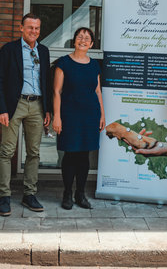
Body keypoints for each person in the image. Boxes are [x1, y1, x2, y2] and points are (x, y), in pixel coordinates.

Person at [0, 13, 52, 217]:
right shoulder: (9, 50)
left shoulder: (43, 51)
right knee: (7, 151)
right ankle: (5, 197)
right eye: (30, 28)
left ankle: (29, 194)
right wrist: (1, 109)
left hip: (37, 105)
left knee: (34, 152)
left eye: (37, 28)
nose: (33, 31)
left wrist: (48, 110)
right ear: (21, 28)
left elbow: (47, 81)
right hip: (14, 105)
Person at [52, 27, 105, 210]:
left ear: (91, 44)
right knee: (70, 155)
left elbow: (97, 91)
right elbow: (57, 92)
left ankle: (80, 194)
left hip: (90, 115)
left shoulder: (94, 65)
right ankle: (67, 193)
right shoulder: (63, 63)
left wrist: (102, 115)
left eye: (87, 38)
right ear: (74, 41)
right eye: (80, 37)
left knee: (84, 156)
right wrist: (57, 117)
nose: (83, 40)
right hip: (69, 115)